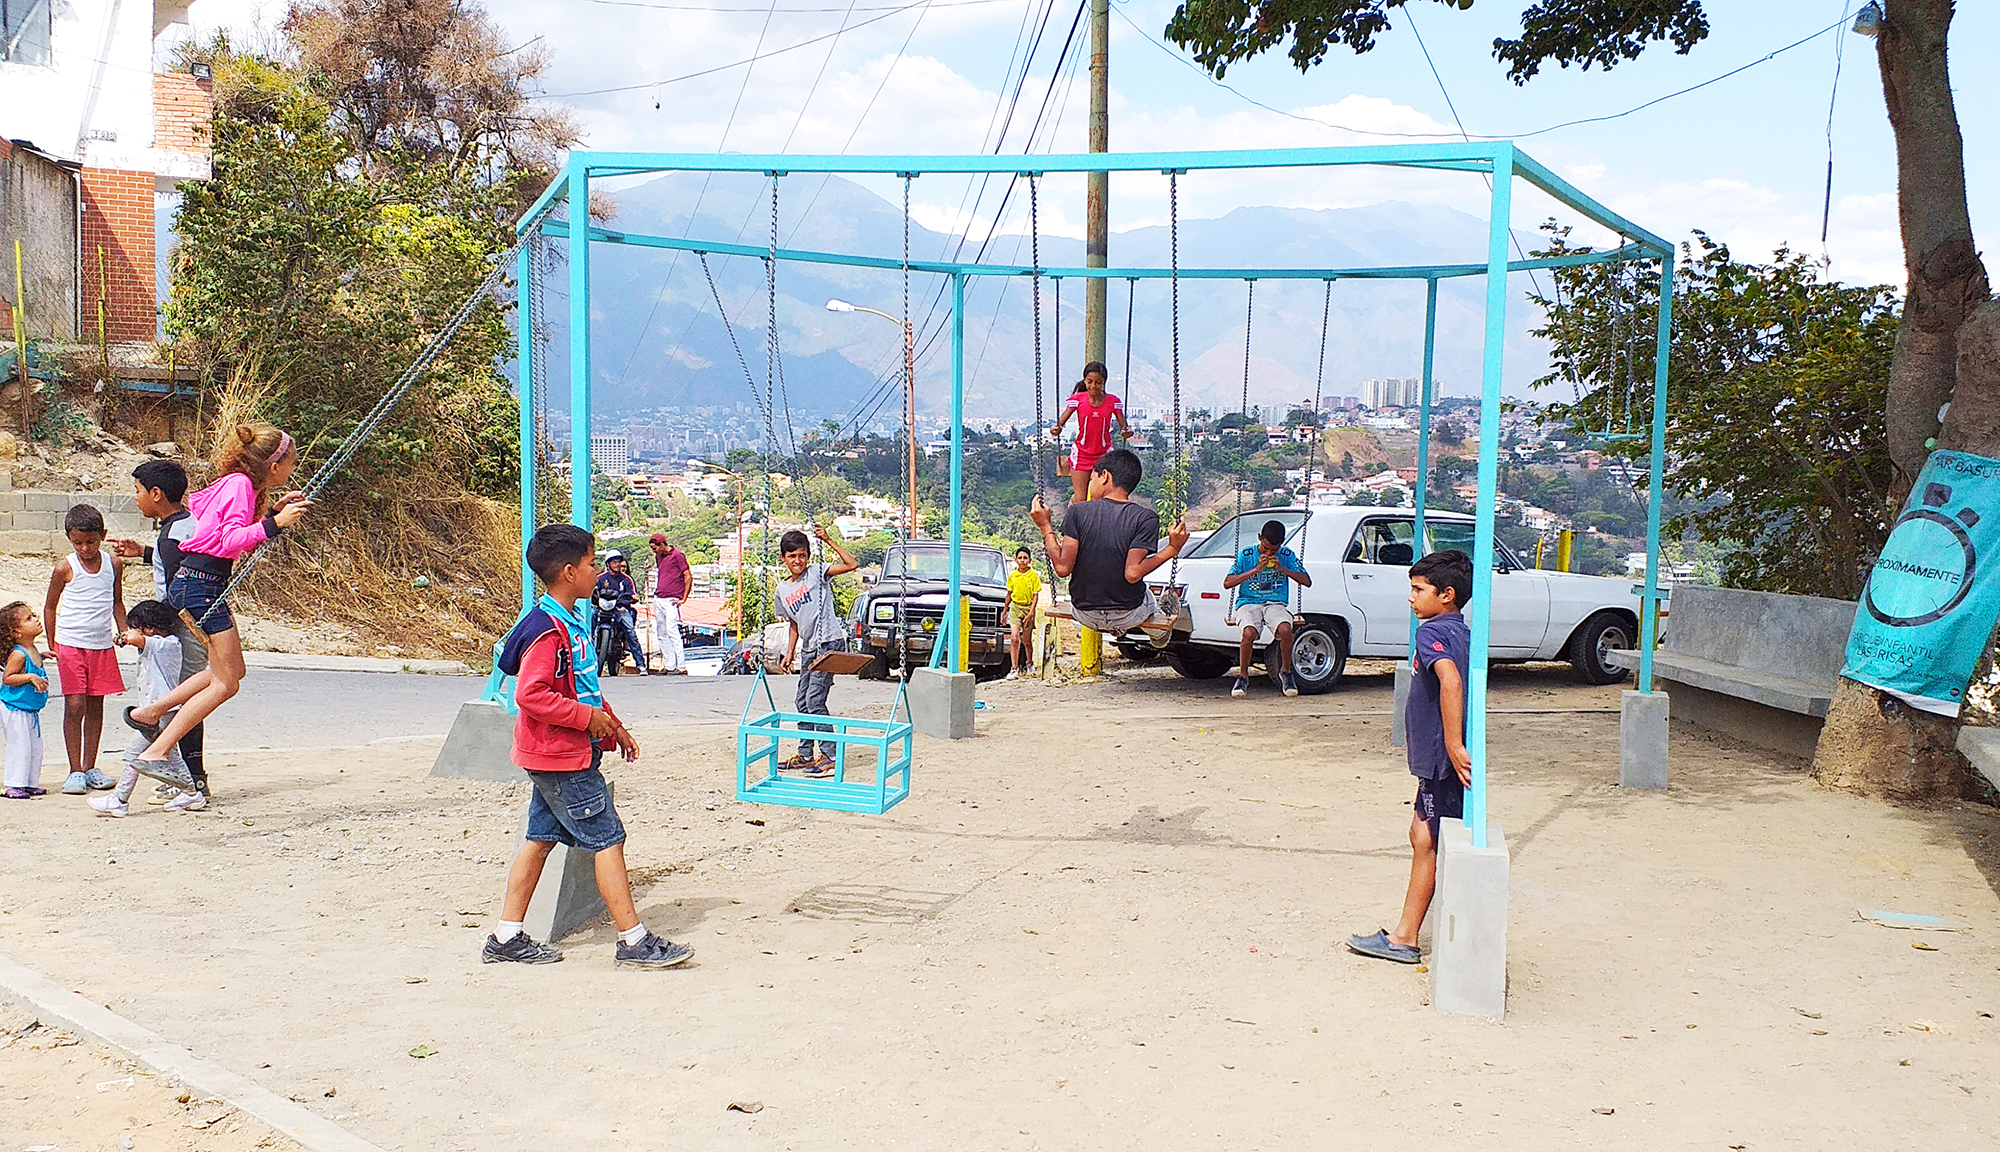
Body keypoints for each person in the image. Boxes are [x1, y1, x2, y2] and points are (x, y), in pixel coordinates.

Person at [483, 524, 694, 969]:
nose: (598, 571)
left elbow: (583, 687)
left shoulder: (565, 621)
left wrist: (612, 724)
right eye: (592, 563)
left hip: (550, 754)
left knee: (539, 839)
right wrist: (588, 719)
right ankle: (634, 941)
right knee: (608, 839)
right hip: (563, 757)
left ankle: (506, 936)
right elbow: (532, 695)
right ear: (567, 572)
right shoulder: (547, 631)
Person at [125, 422, 313, 802]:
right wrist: (274, 525)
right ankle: (158, 750)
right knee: (226, 683)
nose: (293, 468)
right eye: (291, 462)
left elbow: (216, 527)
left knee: (231, 671)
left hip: (198, 581)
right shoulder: (241, 486)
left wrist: (270, 513)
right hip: (203, 584)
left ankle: (151, 713)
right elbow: (229, 540)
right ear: (273, 465)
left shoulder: (235, 483)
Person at [1348, 549, 1473, 965]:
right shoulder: (1460, 631)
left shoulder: (1431, 632)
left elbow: (1451, 682)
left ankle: (1405, 938)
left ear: (1447, 595)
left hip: (1440, 758)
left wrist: (1454, 746)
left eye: (1420, 590)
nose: (1412, 597)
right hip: (1438, 758)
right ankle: (1404, 932)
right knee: (1422, 835)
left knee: (1430, 840)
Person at [109, 460, 209, 803]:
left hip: (186, 624)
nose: (135, 498)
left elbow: (180, 586)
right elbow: (184, 562)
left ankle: (194, 781)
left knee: (182, 702)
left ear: (156, 494)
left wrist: (145, 628)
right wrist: (145, 553)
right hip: (194, 621)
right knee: (180, 701)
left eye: (137, 491)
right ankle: (184, 776)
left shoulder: (171, 535)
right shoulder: (184, 525)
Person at [1028, 448, 1187, 641]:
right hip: (1129, 614)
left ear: (1104, 476)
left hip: (1084, 615)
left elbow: (1062, 568)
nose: (1089, 486)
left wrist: (1045, 526)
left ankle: (1115, 628)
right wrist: (1172, 548)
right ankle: (1158, 633)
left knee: (1106, 608)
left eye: (1091, 479)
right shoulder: (1146, 518)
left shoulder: (1077, 512)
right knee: (1149, 599)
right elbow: (1133, 573)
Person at [45, 504, 126, 794]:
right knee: (74, 705)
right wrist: (53, 644)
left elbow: (117, 601)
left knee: (95, 705)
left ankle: (91, 766)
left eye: (91, 542)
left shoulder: (113, 564)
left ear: (102, 536)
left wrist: (123, 630)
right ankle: (74, 770)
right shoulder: (65, 567)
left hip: (101, 644)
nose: (85, 548)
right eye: (78, 542)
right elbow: (50, 605)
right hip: (70, 645)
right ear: (69, 538)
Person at [89, 600, 197, 817]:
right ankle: (192, 793)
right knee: (172, 755)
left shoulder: (166, 644)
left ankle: (120, 799)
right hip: (159, 710)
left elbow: (137, 639)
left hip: (163, 710)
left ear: (149, 629)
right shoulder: (161, 644)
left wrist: (124, 637)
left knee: (133, 754)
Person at [776, 522, 858, 776]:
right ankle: (805, 754)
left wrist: (829, 540)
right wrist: (789, 653)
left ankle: (831, 755)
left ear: (809, 556)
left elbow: (851, 564)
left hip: (829, 642)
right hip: (809, 648)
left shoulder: (817, 573)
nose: (797, 561)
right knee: (802, 700)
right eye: (792, 556)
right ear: (783, 559)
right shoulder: (782, 589)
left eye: (802, 555)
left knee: (815, 700)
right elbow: (794, 623)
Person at [1223, 519, 1312, 699]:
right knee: (1248, 633)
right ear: (1259, 538)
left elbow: (1307, 581)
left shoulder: (1287, 555)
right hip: (1248, 602)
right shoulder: (1246, 555)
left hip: (1275, 603)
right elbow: (1227, 583)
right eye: (1266, 548)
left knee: (1286, 629)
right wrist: (1255, 570)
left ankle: (1286, 672)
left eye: (1274, 550)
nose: (1270, 552)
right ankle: (1243, 676)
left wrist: (1283, 569)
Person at [1052, 362, 1131, 504]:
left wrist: (1126, 432)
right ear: (1084, 381)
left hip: (1103, 454)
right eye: (1090, 382)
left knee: (1100, 497)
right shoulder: (1078, 400)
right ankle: (1073, 518)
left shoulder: (1113, 402)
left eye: (1098, 382)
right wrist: (1056, 428)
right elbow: (1060, 423)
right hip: (1082, 454)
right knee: (1080, 498)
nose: (1094, 386)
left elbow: (1123, 426)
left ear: (1104, 383)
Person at [0, 602, 50, 800]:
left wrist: (42, 658)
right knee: (20, 745)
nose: (36, 620)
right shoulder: (19, 654)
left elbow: (33, 662)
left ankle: (29, 782)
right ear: (16, 632)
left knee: (35, 747)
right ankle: (13, 783)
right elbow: (8, 678)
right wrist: (30, 677)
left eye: (34, 615)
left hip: (29, 709)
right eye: (29, 619)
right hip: (15, 708)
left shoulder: (32, 649)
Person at [592, 551, 647, 675]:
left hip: (620, 609)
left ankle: (640, 665)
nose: (617, 564)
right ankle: (589, 647)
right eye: (614, 562)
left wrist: (631, 598)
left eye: (619, 561)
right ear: (608, 564)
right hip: (602, 609)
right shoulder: (600, 578)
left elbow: (634, 595)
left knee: (630, 631)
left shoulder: (626, 580)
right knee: (591, 617)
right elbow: (592, 590)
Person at [648, 532, 692, 674]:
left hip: (672, 599)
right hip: (659, 597)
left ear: (662, 545)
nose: (654, 551)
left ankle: (681, 665)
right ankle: (669, 664)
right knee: (661, 632)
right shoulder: (659, 557)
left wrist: (684, 597)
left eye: (655, 548)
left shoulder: (677, 555)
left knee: (672, 630)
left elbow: (687, 576)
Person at [1005, 546, 1041, 679]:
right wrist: (1005, 611)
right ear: (1016, 560)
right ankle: (1014, 669)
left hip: (1028, 608)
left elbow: (1036, 595)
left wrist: (1031, 612)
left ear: (1029, 560)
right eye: (1020, 558)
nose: (1022, 561)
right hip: (1015, 608)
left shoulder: (1034, 576)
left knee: (1026, 640)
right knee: (1014, 638)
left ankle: (1029, 663)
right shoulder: (1013, 576)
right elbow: (1009, 594)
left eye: (1025, 558)